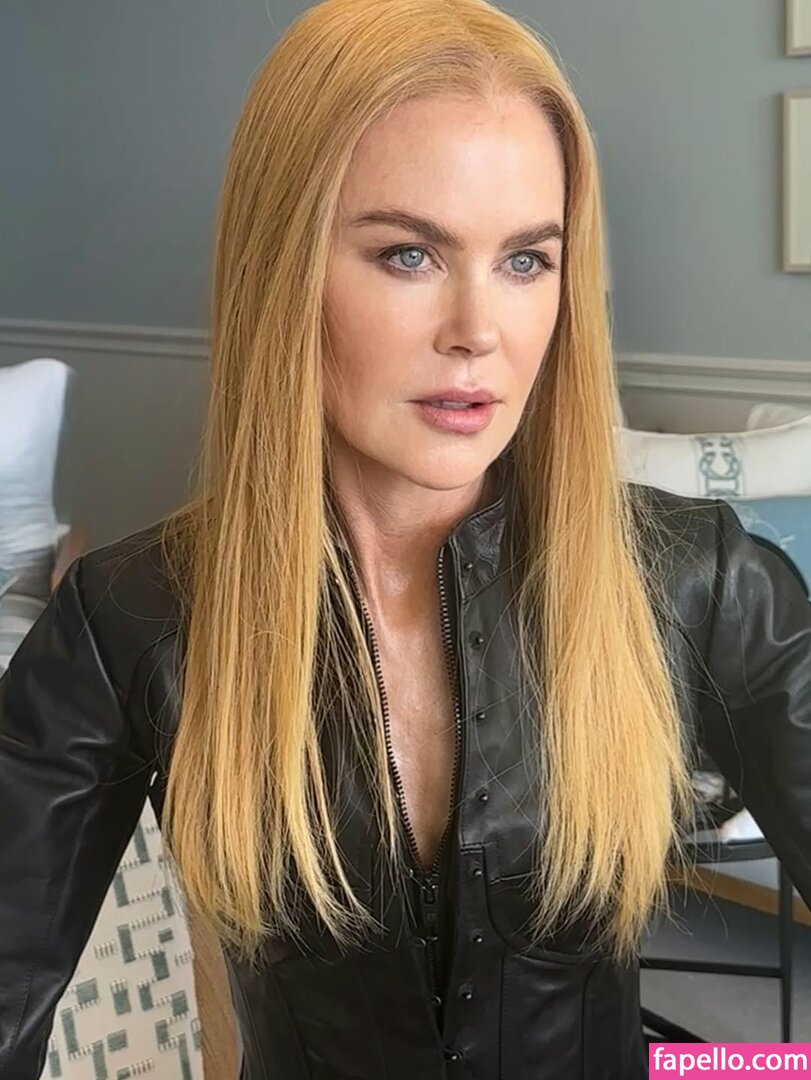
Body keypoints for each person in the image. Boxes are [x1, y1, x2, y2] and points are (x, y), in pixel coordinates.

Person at [1, 0, 810, 1076]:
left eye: (525, 261)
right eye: (408, 255)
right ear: (283, 268)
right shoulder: (130, 619)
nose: (478, 331)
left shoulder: (698, 579)